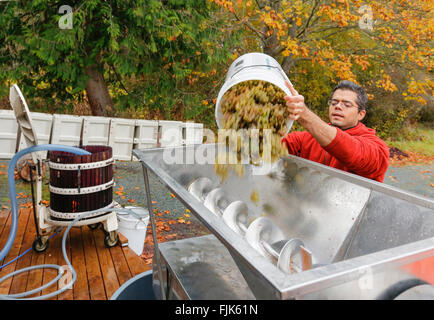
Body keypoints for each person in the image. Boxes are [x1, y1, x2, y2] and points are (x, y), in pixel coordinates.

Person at [282, 80, 389, 182]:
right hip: (308, 199)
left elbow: (354, 152)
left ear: (361, 114)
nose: (338, 106)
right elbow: (269, 148)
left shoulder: (377, 149)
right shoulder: (306, 138)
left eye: (346, 105)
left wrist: (305, 115)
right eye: (334, 103)